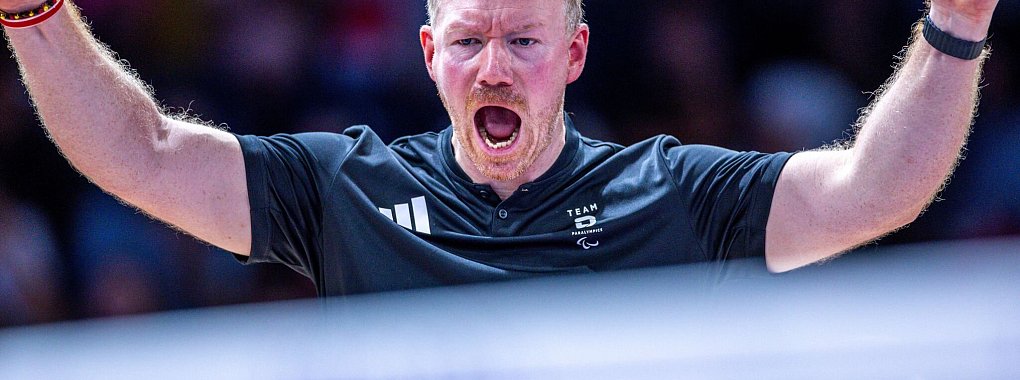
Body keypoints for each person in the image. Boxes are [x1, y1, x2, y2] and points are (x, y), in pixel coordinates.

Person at [0, 0, 1000, 295]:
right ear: (429, 55)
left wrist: (955, 26)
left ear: (573, 55)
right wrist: (35, 13)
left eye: (523, 42)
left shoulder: (672, 189)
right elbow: (144, 153)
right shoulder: (346, 187)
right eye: (470, 42)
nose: (494, 69)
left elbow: (877, 189)